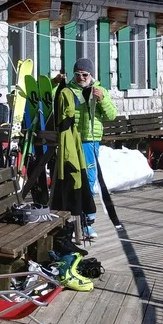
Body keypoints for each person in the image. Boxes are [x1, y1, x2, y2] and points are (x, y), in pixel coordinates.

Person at [71, 58, 117, 239]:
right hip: (71, 139)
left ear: (91, 75)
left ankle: (88, 221)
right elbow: (53, 101)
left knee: (89, 179)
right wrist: (55, 84)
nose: (81, 78)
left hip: (90, 140)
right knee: (72, 179)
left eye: (85, 75)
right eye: (78, 75)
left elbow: (112, 115)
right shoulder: (68, 90)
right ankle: (74, 218)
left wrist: (102, 99)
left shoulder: (100, 90)